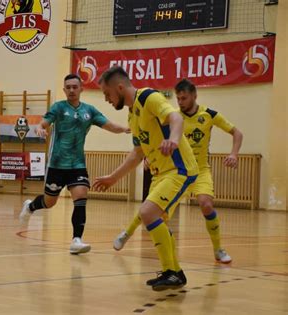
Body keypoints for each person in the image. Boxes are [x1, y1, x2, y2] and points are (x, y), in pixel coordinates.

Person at [113, 79, 243, 264]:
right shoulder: (169, 115)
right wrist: (149, 156)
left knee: (206, 204)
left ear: (194, 96)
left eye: (184, 98)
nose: (180, 102)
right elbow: (150, 138)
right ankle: (129, 234)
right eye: (178, 98)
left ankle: (218, 249)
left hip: (199, 169)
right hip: (173, 169)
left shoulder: (209, 115)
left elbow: (237, 133)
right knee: (153, 208)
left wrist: (234, 154)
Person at [94, 66, 198, 291]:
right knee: (155, 217)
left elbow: (176, 117)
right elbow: (137, 153)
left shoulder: (149, 96)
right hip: (163, 174)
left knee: (147, 212)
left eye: (107, 94)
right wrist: (113, 178)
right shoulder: (132, 115)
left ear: (120, 87)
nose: (107, 99)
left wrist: (173, 139)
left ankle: (171, 272)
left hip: (179, 169)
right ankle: (175, 272)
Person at [19, 74, 129, 255]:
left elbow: (109, 125)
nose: (71, 90)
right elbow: (43, 123)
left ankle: (76, 240)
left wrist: (125, 129)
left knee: (81, 195)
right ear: (64, 90)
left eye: (74, 87)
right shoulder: (58, 108)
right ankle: (31, 206)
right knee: (49, 202)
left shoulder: (90, 111)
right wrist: (40, 129)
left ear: (81, 89)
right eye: (68, 87)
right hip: (56, 164)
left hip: (77, 164)